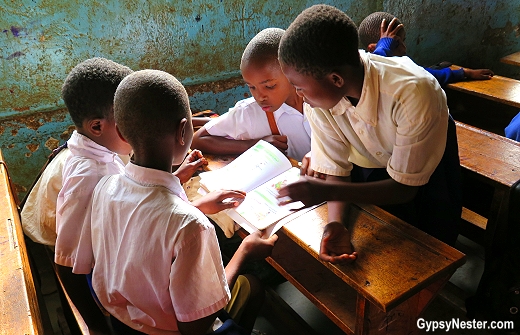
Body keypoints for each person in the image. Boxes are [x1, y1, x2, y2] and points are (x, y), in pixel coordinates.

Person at [88, 69, 277, 334]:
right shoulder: (192, 226)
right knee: (253, 286)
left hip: (123, 324)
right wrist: (244, 251)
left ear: (120, 132)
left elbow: (145, 224)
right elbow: (196, 327)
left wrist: (194, 206)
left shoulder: (105, 187)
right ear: (183, 131)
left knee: (250, 288)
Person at [276, 4, 463, 264]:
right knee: (384, 250)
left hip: (427, 174)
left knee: (429, 251)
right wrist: (336, 223)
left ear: (336, 79)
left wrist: (323, 192)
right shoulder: (320, 101)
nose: (298, 95)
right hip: (374, 170)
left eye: (299, 87)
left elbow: (405, 189)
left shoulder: (413, 92)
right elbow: (337, 170)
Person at [191, 28, 311, 162]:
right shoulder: (250, 112)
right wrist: (253, 144)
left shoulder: (320, 101)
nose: (259, 97)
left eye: (269, 86)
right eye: (252, 87)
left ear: (292, 72)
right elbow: (198, 140)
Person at [357, 11, 494, 87]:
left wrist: (465, 72)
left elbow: (427, 73)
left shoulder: (401, 63)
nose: (404, 49)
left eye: (403, 41)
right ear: (374, 48)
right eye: (396, 44)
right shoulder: (365, 72)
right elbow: (378, 61)